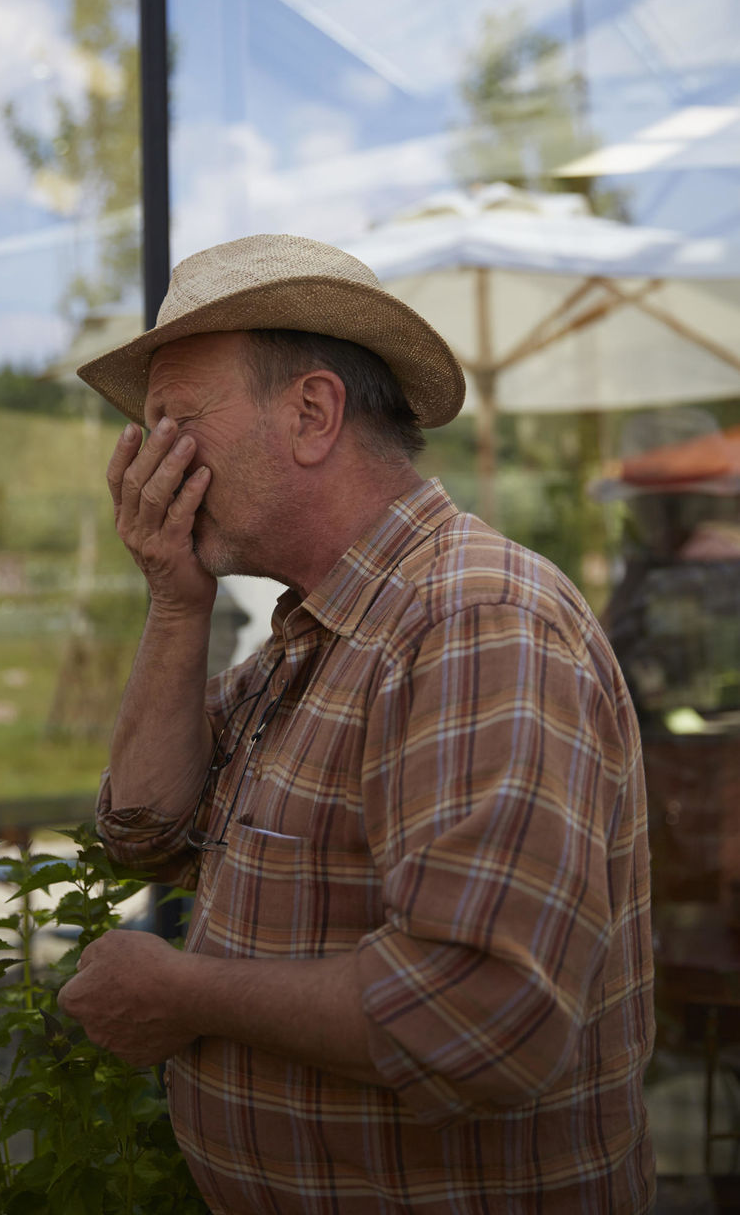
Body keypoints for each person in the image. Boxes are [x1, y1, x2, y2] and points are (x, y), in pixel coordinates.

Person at [58, 235, 655, 1214]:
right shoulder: (321, 625)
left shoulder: (471, 616)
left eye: (174, 420)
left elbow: (481, 1015)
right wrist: (175, 603)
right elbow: (145, 833)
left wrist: (184, 994)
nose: (145, 462)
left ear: (312, 413)